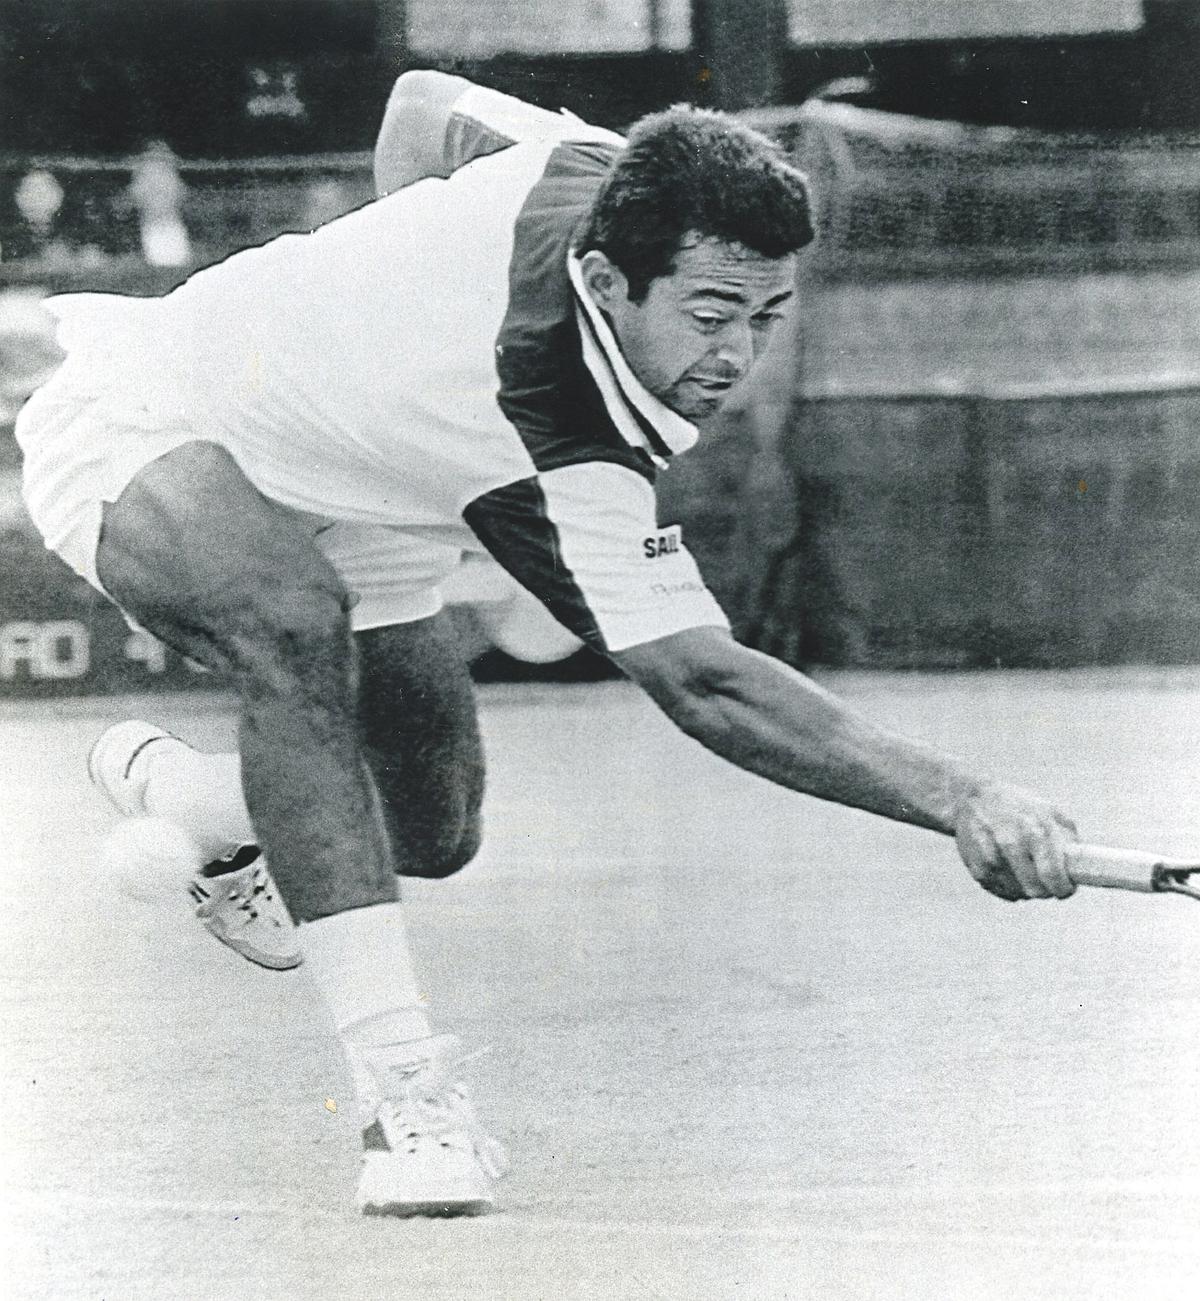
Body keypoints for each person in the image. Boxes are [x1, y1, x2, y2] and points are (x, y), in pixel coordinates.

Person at [15, 71, 1079, 1219]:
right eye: (711, 313)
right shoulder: (561, 399)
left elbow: (420, 108)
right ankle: (404, 1100)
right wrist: (962, 795)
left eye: (766, 317)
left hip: (376, 489)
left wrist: (390, 334)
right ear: (612, 278)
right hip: (160, 415)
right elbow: (709, 687)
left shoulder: (609, 179)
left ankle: (193, 798)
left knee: (432, 826)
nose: (738, 353)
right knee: (293, 629)